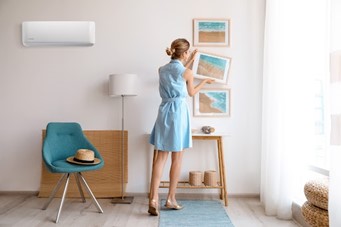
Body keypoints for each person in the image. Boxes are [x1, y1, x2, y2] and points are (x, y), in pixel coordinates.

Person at [148, 38, 214, 216]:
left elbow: (176, 71)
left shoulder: (161, 70)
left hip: (163, 112)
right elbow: (191, 92)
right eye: (188, 53)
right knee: (177, 158)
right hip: (178, 114)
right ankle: (170, 198)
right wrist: (204, 82)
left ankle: (153, 198)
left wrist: (191, 58)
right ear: (184, 53)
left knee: (160, 157)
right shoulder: (188, 73)